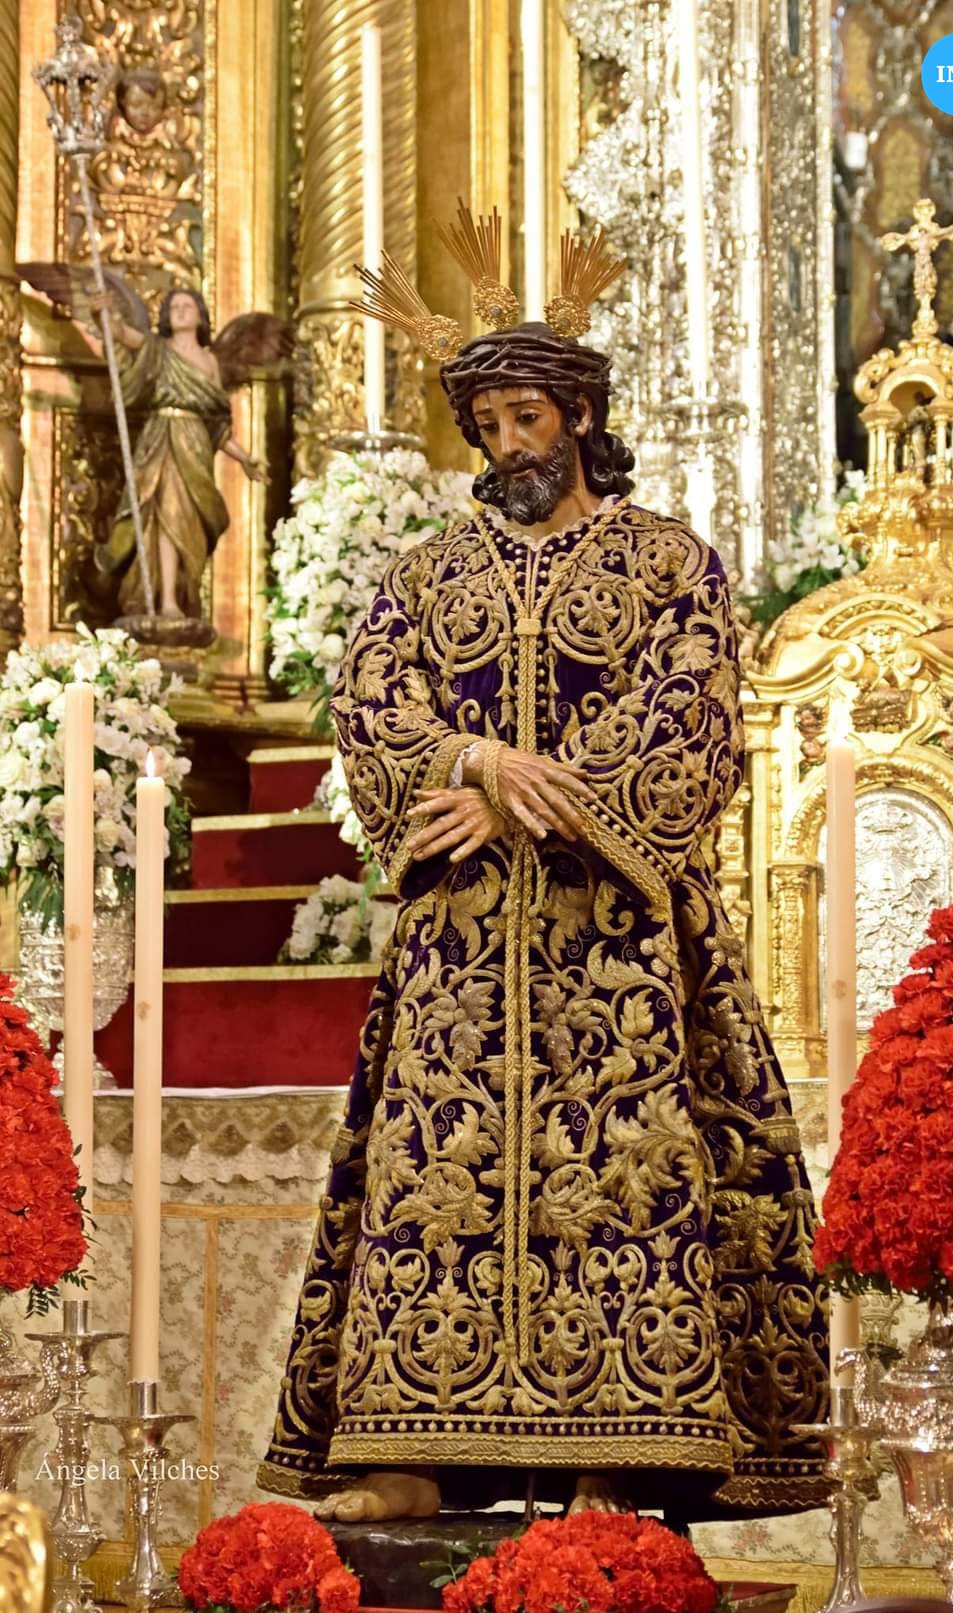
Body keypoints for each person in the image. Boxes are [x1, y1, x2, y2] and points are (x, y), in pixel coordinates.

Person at [259, 225, 828, 1524]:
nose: (509, 444)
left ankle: (615, 1463)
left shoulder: (667, 563)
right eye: (488, 425)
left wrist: (522, 796)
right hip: (462, 950)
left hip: (615, 940)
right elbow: (372, 703)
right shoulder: (427, 576)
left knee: (619, 1182)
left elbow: (689, 711)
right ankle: (410, 1453)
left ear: (579, 415)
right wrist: (469, 757)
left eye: (528, 418)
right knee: (432, 1186)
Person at [86, 286, 268, 620]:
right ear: (167, 318)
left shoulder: (210, 362)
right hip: (162, 439)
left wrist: (244, 459)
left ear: (200, 316)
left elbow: (217, 426)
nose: (181, 311)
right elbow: (119, 333)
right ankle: (164, 599)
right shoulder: (157, 348)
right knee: (163, 515)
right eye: (174, 307)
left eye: (187, 306)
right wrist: (102, 312)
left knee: (187, 522)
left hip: (195, 446)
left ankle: (182, 594)